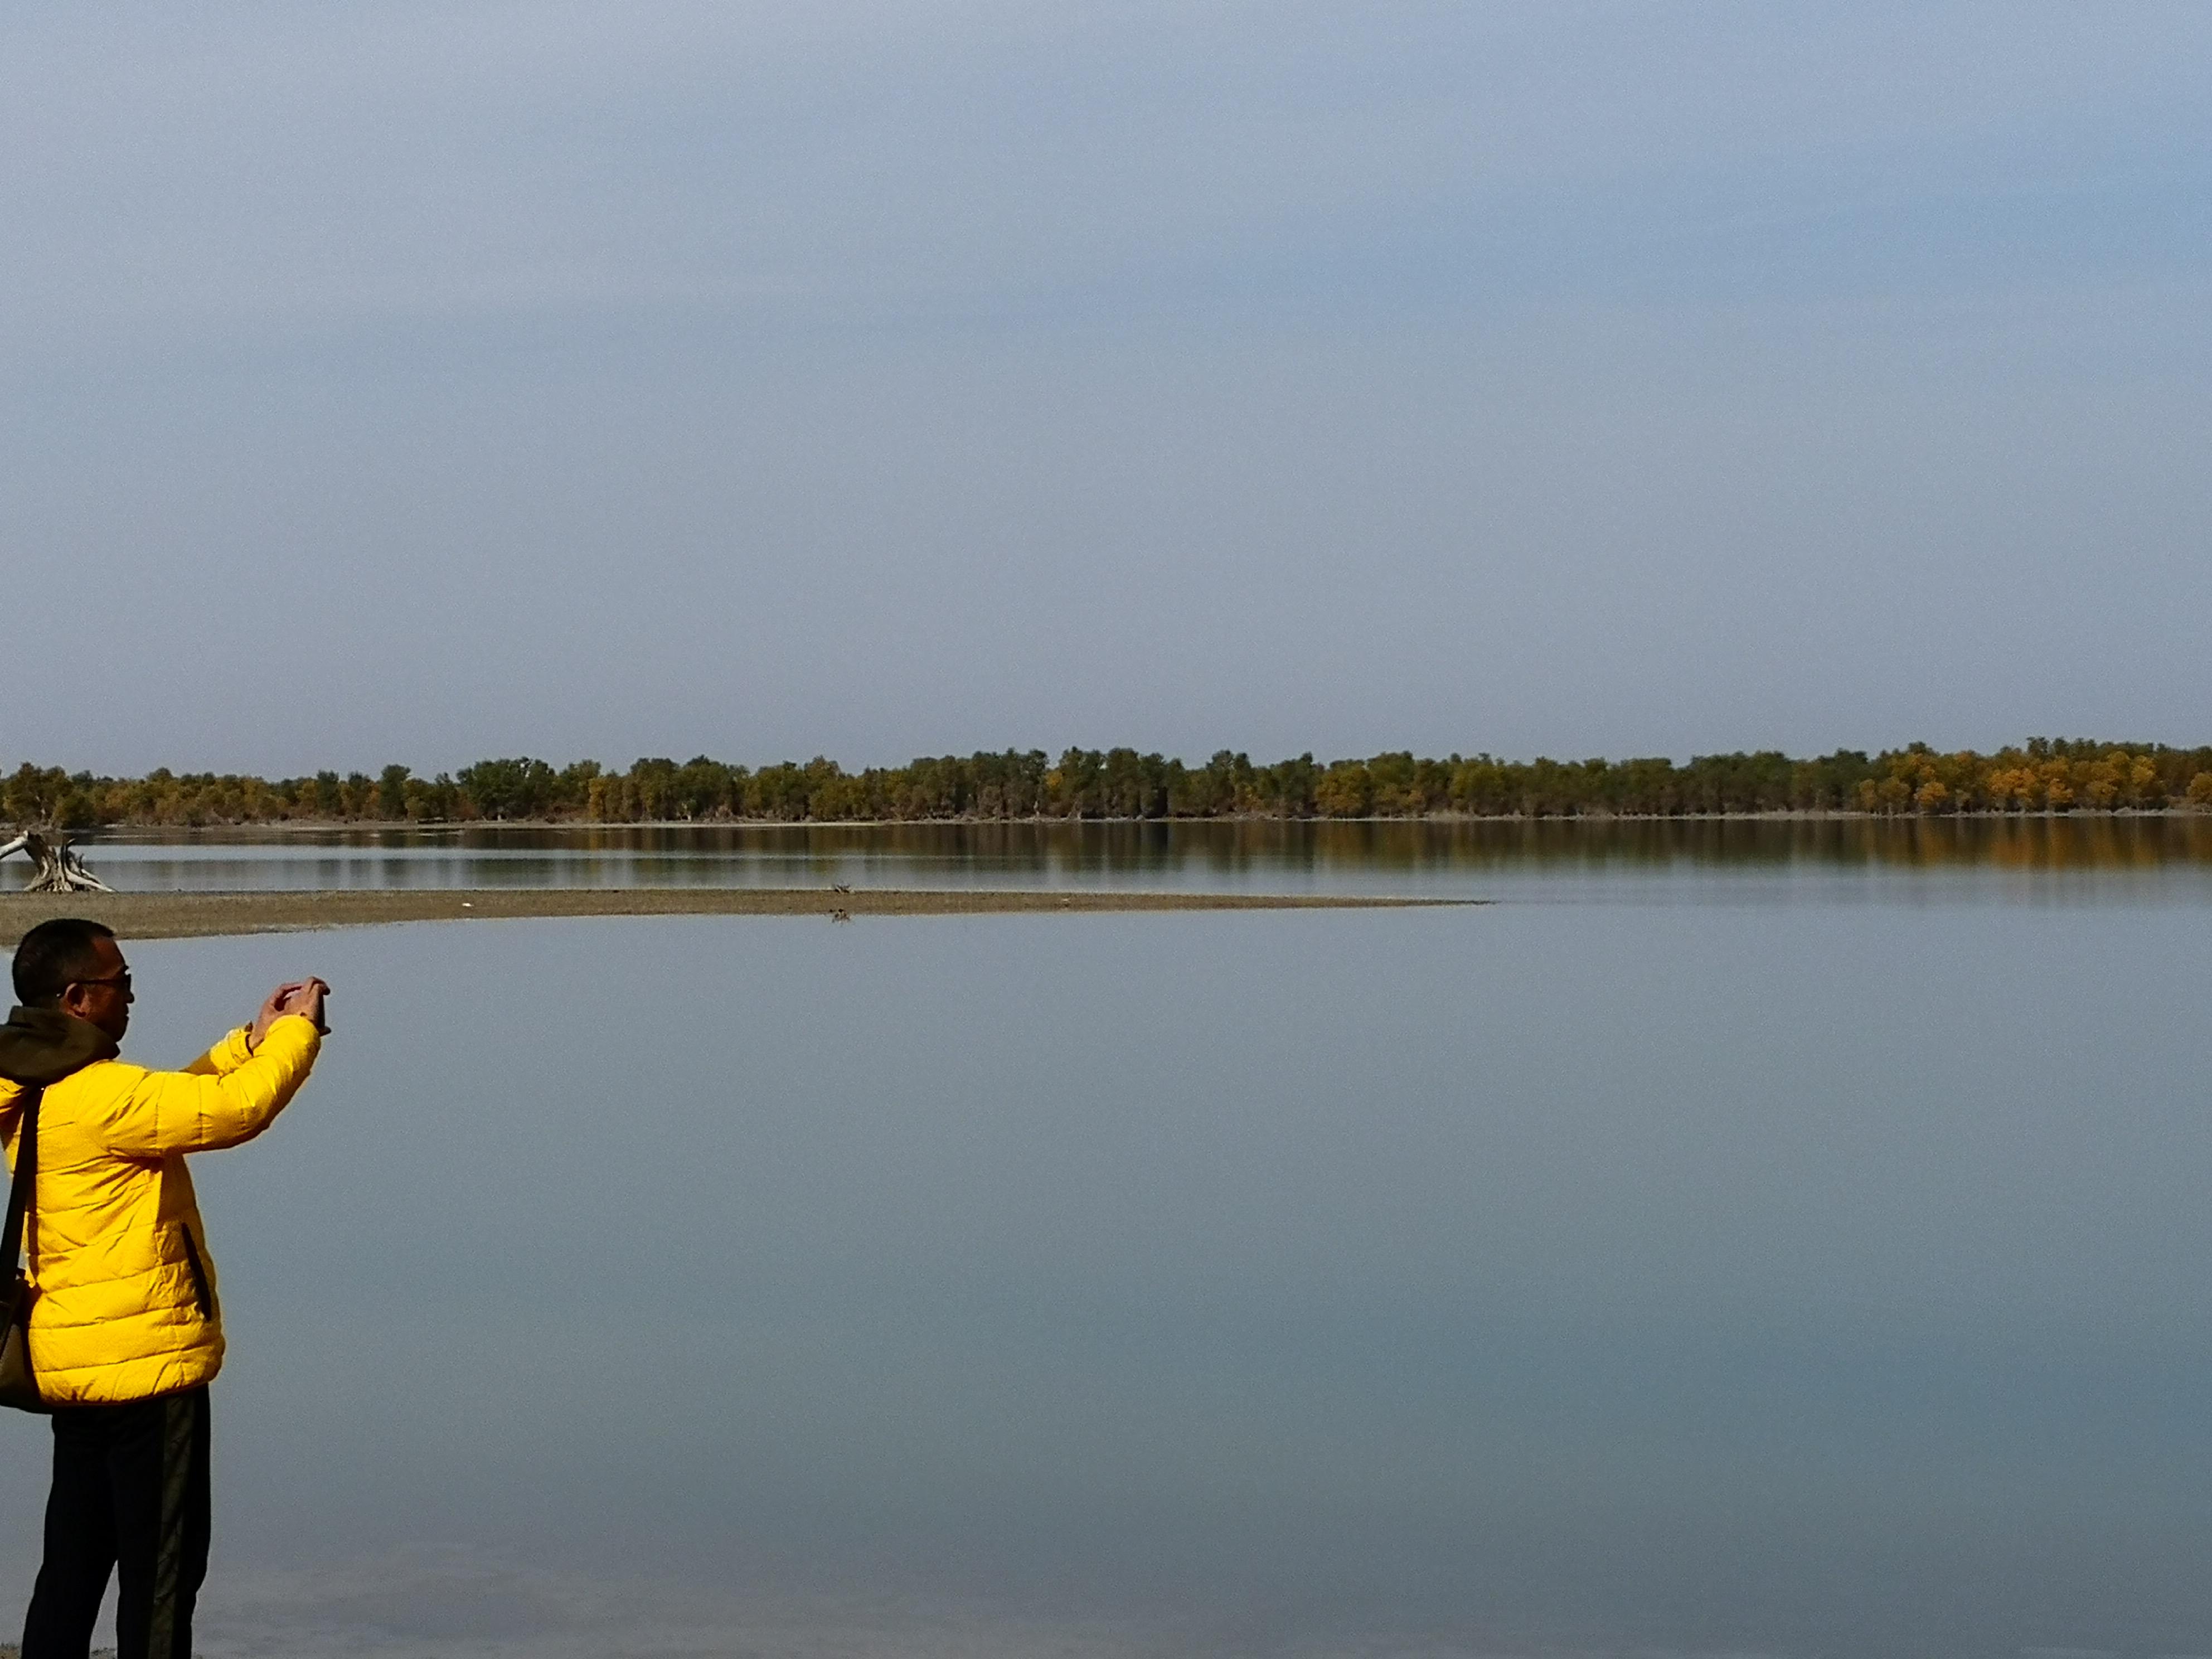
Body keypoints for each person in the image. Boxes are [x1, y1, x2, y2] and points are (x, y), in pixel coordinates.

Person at [0, 918, 328, 1659]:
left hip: (75, 1367)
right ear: (78, 997)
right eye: (122, 984)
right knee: (162, 1580)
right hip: (150, 1370)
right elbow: (233, 1111)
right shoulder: (98, 1096)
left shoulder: (35, 1091)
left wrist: (244, 1042)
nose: (132, 998)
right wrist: (295, 1036)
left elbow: (163, 1107)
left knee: (72, 1570)